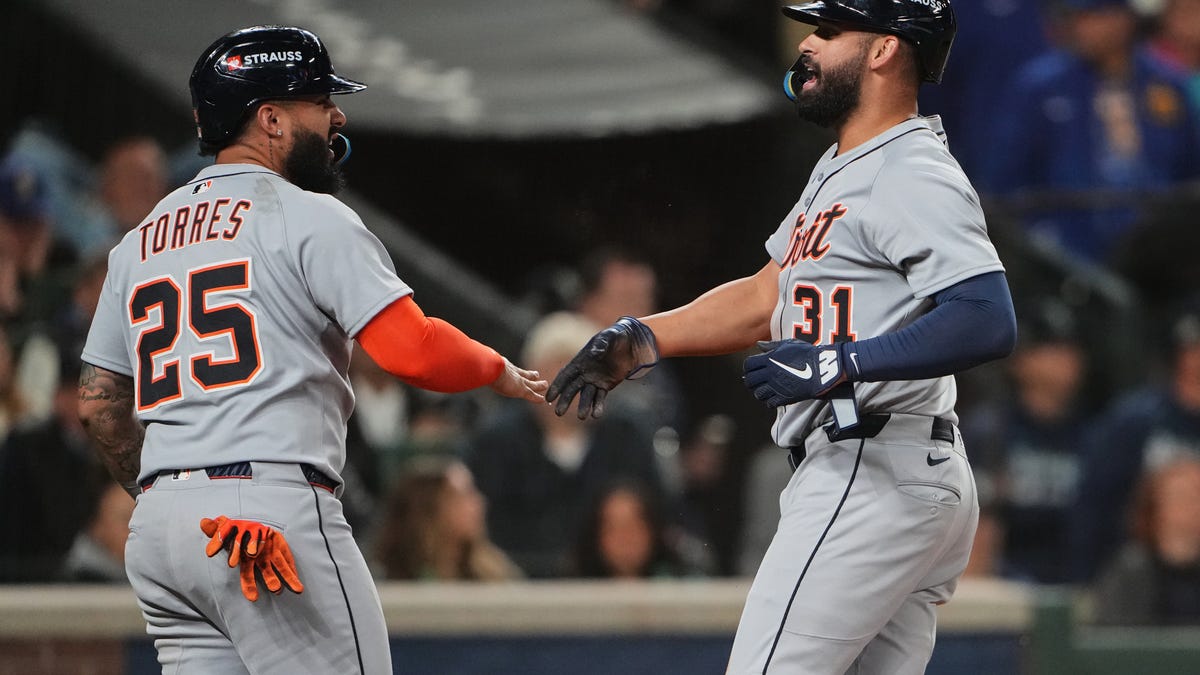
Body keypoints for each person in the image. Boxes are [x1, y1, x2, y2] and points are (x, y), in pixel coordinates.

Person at [546, 2, 1017, 672]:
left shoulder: (910, 168)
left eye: (829, 31)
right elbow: (766, 295)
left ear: (884, 50)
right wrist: (641, 336)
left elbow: (986, 315)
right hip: (893, 467)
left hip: (870, 465)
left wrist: (839, 362)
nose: (808, 45)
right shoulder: (844, 165)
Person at [77, 26, 546, 674]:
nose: (336, 115)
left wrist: (174, 492)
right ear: (269, 118)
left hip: (162, 530)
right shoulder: (305, 215)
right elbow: (412, 349)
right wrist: (497, 369)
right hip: (264, 516)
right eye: (318, 100)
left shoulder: (139, 242)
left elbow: (99, 403)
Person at [983, 0, 1200, 264]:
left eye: (1093, 16)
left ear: (1124, 19)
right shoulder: (1039, 87)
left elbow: (1189, 176)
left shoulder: (1168, 85)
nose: (1081, 27)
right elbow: (1003, 183)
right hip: (1067, 255)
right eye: (1077, 16)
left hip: (1157, 256)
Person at [466, 311, 662, 578]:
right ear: (532, 375)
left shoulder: (627, 437)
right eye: (557, 369)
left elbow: (656, 513)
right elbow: (484, 524)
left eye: (581, 368)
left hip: (610, 584)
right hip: (518, 583)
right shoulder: (497, 442)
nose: (572, 381)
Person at [958, 299, 1093, 583]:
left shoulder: (1094, 433)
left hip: (1077, 581)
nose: (1063, 359)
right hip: (1006, 584)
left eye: (1069, 348)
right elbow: (975, 533)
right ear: (1019, 360)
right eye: (1049, 349)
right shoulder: (989, 431)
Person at [1070, 297, 1200, 582]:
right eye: (1193, 348)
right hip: (1140, 573)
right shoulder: (1135, 421)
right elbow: (1096, 506)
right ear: (1180, 353)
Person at [372, 456, 521, 581]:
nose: (479, 503)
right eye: (464, 495)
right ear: (429, 509)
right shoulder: (385, 582)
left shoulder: (494, 576)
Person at [1093, 457, 1200, 626]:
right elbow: (1117, 641)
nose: (1192, 506)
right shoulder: (1131, 570)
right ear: (1156, 506)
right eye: (1182, 497)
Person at [572, 478, 710, 579]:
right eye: (613, 528)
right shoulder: (569, 592)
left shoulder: (686, 588)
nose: (625, 538)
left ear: (652, 530)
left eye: (634, 527)